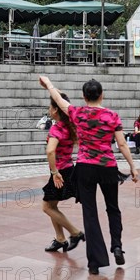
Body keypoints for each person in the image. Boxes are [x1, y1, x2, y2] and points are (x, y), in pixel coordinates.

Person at [39, 76, 139, 275]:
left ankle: (95, 262)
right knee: (113, 208)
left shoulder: (77, 113)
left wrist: (49, 83)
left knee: (90, 213)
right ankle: (117, 246)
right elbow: (121, 144)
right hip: (108, 166)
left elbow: (59, 101)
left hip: (85, 167)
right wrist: (132, 167)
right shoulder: (112, 116)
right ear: (102, 95)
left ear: (84, 97)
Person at [42, 92, 84, 253]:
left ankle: (75, 233)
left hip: (59, 172)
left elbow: (50, 151)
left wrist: (54, 172)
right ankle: (60, 239)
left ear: (54, 110)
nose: (49, 108)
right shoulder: (70, 125)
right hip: (67, 169)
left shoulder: (57, 127)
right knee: (52, 205)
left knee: (46, 207)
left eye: (50, 106)